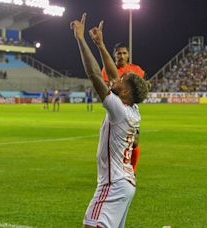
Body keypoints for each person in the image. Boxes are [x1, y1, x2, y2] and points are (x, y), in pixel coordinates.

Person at [71, 13, 148, 228]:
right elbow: (114, 77)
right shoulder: (132, 109)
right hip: (126, 182)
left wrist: (81, 39)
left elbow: (95, 75)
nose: (117, 78)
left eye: (122, 81)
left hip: (112, 184)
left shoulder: (118, 109)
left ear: (126, 92)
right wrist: (101, 45)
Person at [101, 43, 146, 176]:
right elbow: (105, 88)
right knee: (112, 144)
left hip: (130, 109)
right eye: (119, 53)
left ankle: (133, 170)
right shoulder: (108, 69)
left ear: (128, 55)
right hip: (115, 110)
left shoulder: (136, 69)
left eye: (124, 53)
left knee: (134, 141)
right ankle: (113, 171)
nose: (121, 56)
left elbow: (142, 87)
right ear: (114, 55)